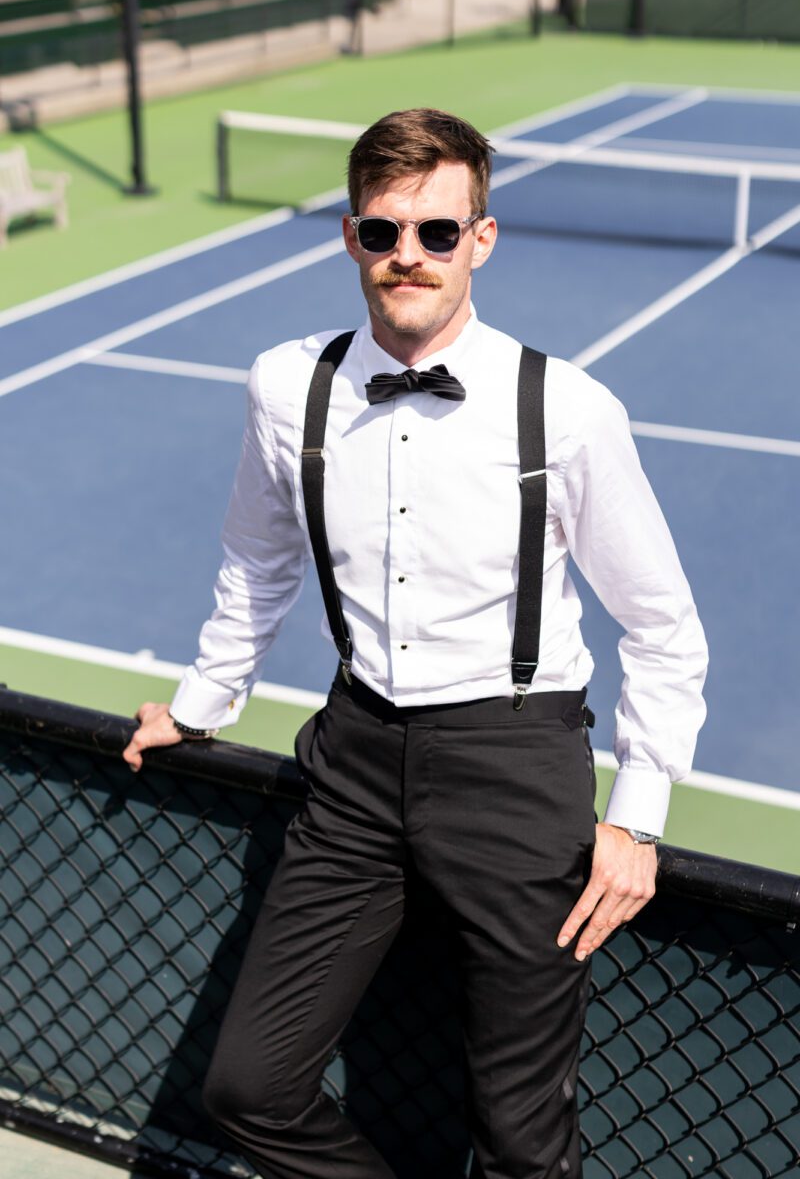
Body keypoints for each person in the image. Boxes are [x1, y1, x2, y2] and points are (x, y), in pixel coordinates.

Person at [123, 107, 708, 1178]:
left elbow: (661, 627)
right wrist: (201, 705)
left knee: (522, 1144)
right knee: (246, 1086)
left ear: (479, 239)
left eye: (437, 232)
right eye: (382, 231)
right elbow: (258, 563)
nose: (408, 256)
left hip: (515, 767)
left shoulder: (566, 409)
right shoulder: (283, 384)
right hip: (352, 761)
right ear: (349, 237)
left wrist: (636, 813)